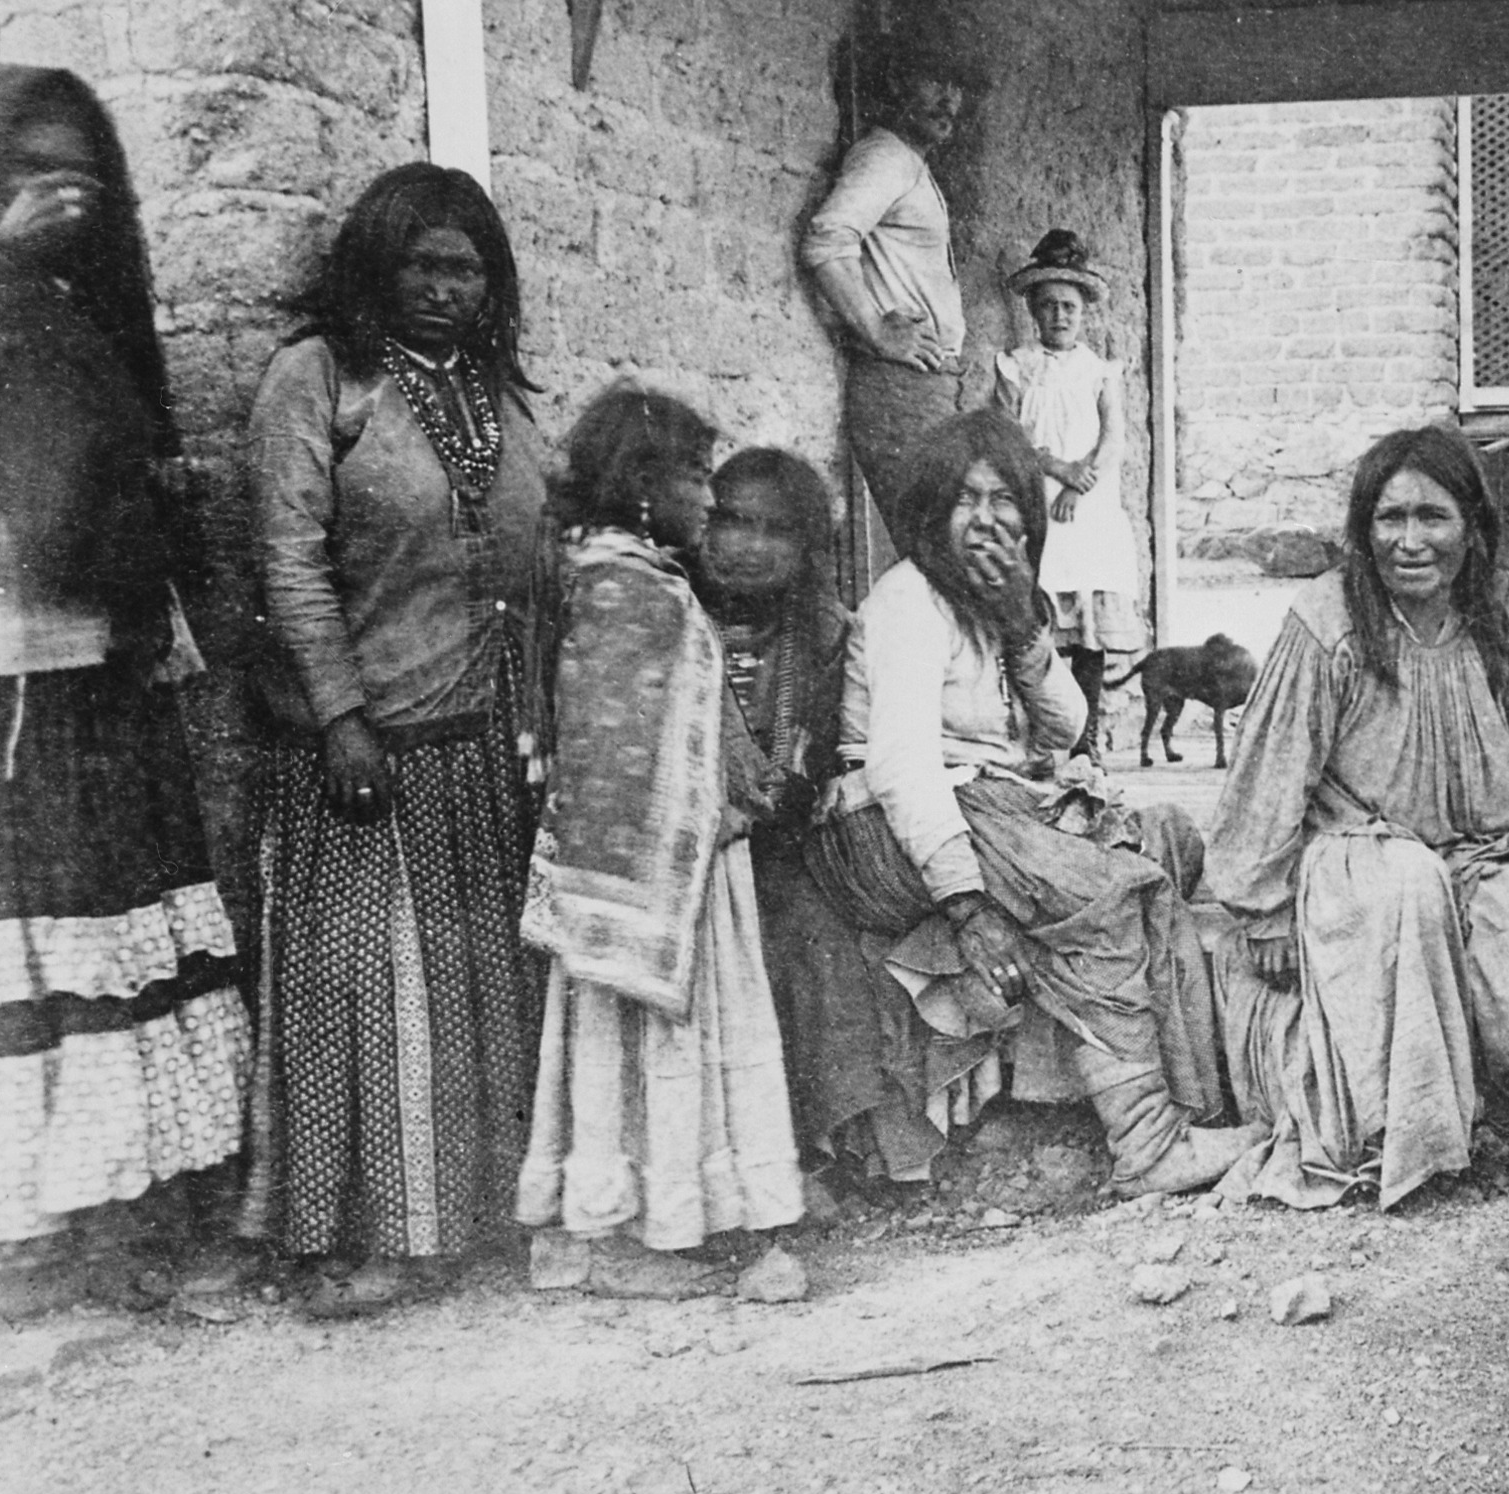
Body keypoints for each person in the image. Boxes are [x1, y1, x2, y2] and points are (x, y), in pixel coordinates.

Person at [0, 65, 249, 1313]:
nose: (59, 192)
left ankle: (131, 1209)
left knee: (110, 931)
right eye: (22, 170)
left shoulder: (91, 304)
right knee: (8, 938)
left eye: (79, 171)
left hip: (97, 658)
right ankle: (6, 1223)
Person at [805, 411, 1261, 1196]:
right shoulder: (910, 602)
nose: (984, 520)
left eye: (1003, 499)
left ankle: (1197, 1102)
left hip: (988, 799)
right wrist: (969, 910)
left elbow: (1068, 728)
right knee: (1108, 894)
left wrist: (1023, 624)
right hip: (888, 824)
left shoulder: (997, 602)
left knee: (1171, 842)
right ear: (928, 513)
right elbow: (902, 765)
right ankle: (1147, 1145)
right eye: (962, 500)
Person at [239, 162, 548, 1317]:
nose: (445, 288)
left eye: (467, 267)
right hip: (362, 751)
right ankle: (364, 1234)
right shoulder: (317, 381)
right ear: (374, 265)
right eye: (421, 263)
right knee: (367, 996)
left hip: (476, 748)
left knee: (468, 994)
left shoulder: (498, 396)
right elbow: (288, 562)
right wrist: (340, 716)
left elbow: (533, 569)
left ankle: (467, 1220)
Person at [1205, 427, 1509, 1210]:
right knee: (1410, 886)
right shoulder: (1328, 620)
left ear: (1472, 529)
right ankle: (1411, 1138)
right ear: (1364, 529)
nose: (1411, 542)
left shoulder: (1502, 608)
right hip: (1359, 849)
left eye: (1433, 518)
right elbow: (1268, 771)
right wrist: (1263, 908)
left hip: (1479, 851)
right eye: (1390, 519)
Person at [515, 388, 803, 1290]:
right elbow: (614, 746)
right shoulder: (623, 589)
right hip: (652, 874)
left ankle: (683, 1211)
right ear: (641, 487)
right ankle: (620, 1238)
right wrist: (709, 815)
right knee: (639, 1041)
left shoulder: (631, 578)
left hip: (671, 864)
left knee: (662, 1047)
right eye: (692, 478)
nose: (709, 504)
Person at [697, 445, 946, 1198]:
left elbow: (833, 753)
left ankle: (819, 1147)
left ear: (807, 546)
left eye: (772, 530)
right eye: (729, 521)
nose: (743, 545)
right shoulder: (679, 617)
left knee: (816, 947)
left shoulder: (828, 633)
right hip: (697, 850)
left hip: (786, 847)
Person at [804, 44, 978, 522]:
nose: (949, 99)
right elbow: (826, 240)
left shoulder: (911, 164)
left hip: (927, 384)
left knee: (946, 545)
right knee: (941, 543)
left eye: (956, 86)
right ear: (898, 83)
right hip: (899, 387)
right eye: (934, 81)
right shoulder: (885, 157)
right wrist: (877, 330)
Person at [992, 229, 1145, 757]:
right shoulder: (1016, 366)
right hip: (1037, 502)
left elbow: (1113, 439)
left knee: (1088, 631)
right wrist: (1055, 467)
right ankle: (1043, 733)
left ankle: (1087, 739)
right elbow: (1006, 436)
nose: (1060, 316)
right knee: (1040, 625)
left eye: (1070, 308)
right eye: (1050, 306)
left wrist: (1080, 483)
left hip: (1089, 509)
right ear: (1034, 312)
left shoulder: (1099, 372)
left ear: (1085, 315)